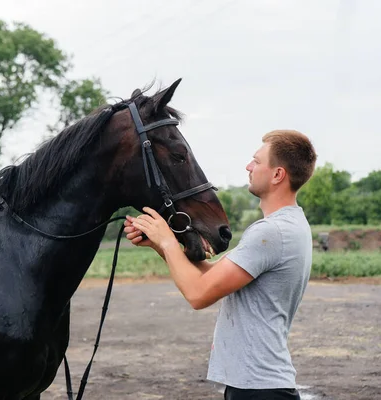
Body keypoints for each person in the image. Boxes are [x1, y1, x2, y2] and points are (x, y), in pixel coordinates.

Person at [125, 130, 317, 400]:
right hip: (258, 385)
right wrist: (158, 243)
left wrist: (168, 241)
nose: (248, 166)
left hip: (259, 389)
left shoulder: (271, 232)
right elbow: (211, 273)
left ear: (277, 175)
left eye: (257, 161)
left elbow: (199, 294)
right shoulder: (287, 226)